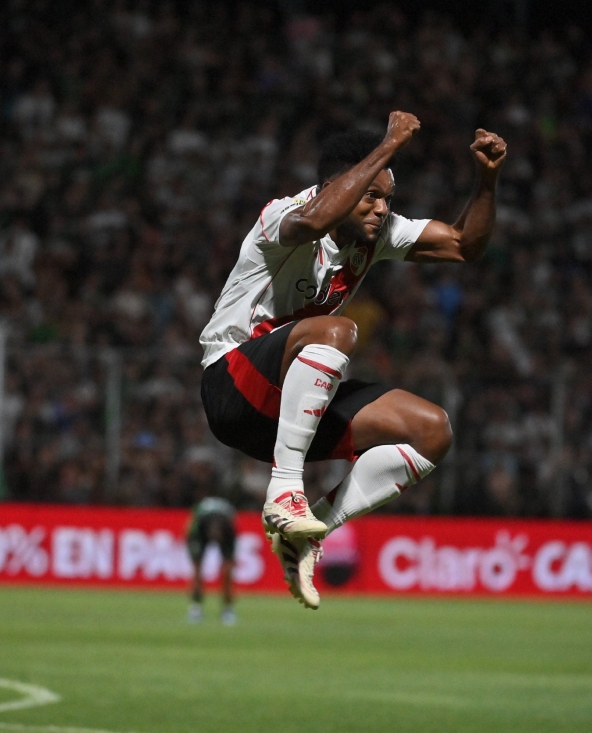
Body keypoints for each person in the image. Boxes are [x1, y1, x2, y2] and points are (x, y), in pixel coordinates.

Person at [199, 111, 506, 609]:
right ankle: (284, 491)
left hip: (286, 411)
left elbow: (464, 245)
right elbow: (316, 220)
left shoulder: (376, 234)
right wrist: (386, 146)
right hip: (233, 387)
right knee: (339, 330)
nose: (383, 209)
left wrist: (487, 179)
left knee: (432, 430)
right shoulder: (285, 213)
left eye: (389, 199)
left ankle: (309, 530)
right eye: (372, 195)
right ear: (341, 184)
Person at [185, 496, 238, 625]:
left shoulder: (229, 528)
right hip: (199, 534)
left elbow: (229, 564)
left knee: (227, 573)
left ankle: (227, 609)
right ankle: (196, 608)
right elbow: (187, 531)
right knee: (197, 571)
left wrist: (229, 564)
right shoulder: (199, 525)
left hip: (223, 527)